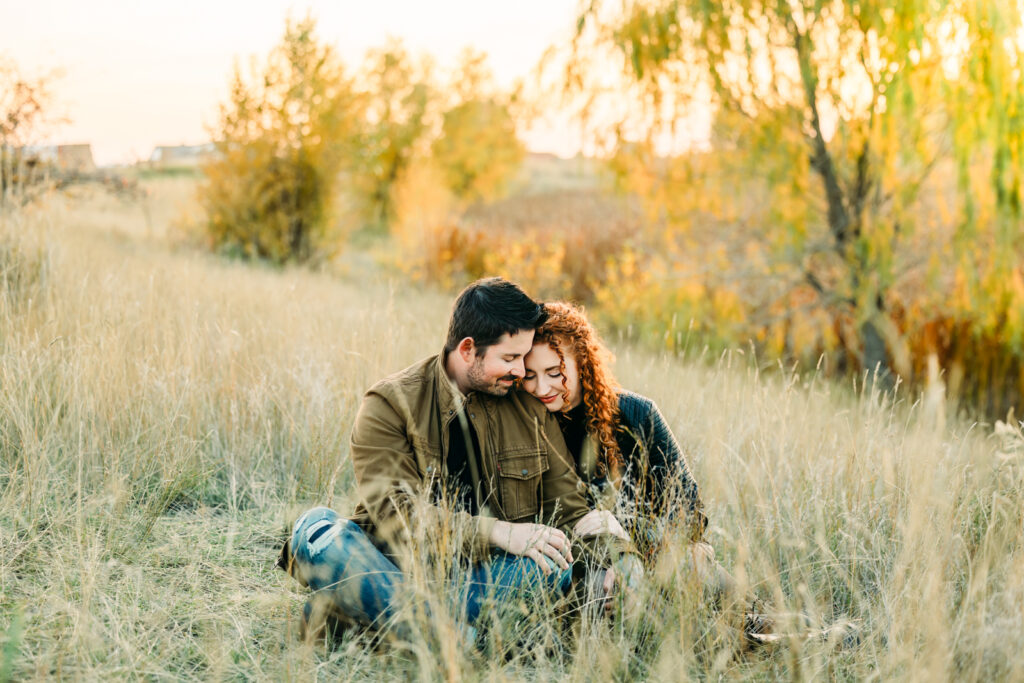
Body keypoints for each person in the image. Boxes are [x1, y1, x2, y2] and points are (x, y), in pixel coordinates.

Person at [278, 279, 636, 642]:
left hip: (486, 578)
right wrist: (498, 532)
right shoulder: (388, 405)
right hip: (398, 565)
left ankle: (369, 612)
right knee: (319, 531)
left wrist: (613, 561)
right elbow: (396, 518)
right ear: (468, 350)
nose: (519, 372)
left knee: (545, 571)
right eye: (510, 358)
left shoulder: (527, 407)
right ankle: (448, 638)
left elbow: (570, 511)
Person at [521, 301, 773, 637]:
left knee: (705, 574)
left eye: (555, 373)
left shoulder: (636, 414)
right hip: (585, 571)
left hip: (663, 557)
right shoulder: (527, 427)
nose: (541, 388)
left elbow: (690, 514)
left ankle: (785, 633)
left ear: (582, 361)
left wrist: (639, 562)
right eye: (529, 376)